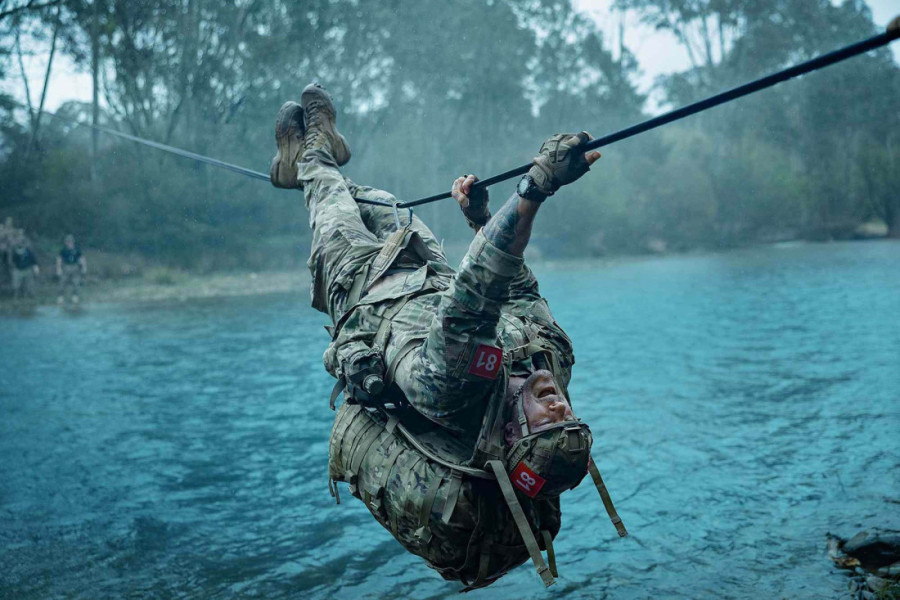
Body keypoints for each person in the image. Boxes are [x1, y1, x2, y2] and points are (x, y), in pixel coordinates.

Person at [270, 84, 624, 589]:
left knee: (328, 189)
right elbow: (519, 288)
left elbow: (480, 289)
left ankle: (309, 155)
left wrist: (535, 186)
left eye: (547, 422)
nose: (560, 406)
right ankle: (303, 162)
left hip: (362, 287)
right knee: (381, 202)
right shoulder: (551, 361)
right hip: (426, 269)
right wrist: (481, 219)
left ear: (511, 436)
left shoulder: (454, 389)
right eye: (569, 417)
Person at [57, 234, 87, 304]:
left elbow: (82, 258)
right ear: (66, 242)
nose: (69, 243)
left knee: (76, 282)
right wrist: (59, 269)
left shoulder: (77, 250)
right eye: (68, 242)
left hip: (75, 267)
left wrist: (84, 267)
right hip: (66, 267)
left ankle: (75, 297)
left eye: (71, 241)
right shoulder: (63, 250)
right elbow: (59, 259)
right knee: (62, 282)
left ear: (73, 242)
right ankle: (60, 298)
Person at [10, 231, 39, 299]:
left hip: (27, 269)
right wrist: (13, 267)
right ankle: (16, 296)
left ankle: (29, 296)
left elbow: (33, 260)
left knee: (29, 284)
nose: (20, 243)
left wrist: (36, 269)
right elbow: (12, 260)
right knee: (16, 285)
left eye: (21, 242)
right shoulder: (14, 251)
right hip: (18, 269)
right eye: (19, 242)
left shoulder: (28, 250)